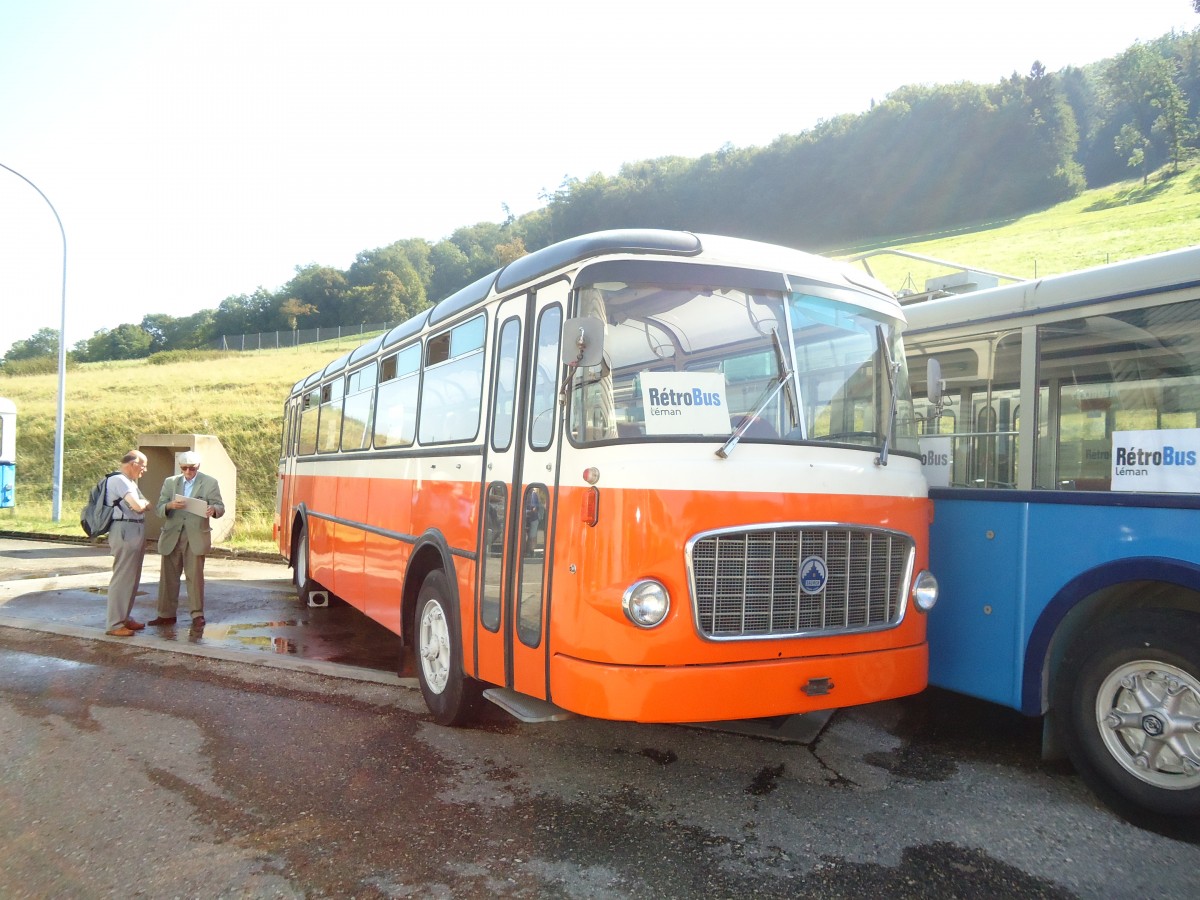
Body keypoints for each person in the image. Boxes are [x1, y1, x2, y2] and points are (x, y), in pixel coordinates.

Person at [149, 450, 225, 629]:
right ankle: (165, 614)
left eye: (192, 468)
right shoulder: (170, 482)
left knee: (195, 578)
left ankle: (197, 614)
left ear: (198, 467)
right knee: (168, 578)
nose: (189, 472)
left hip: (196, 535)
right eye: (185, 469)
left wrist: (212, 509)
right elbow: (159, 508)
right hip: (172, 534)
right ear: (180, 468)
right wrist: (170, 505)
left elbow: (220, 507)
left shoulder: (210, 482)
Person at [104, 450, 151, 637]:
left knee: (131, 578)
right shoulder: (119, 480)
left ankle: (124, 618)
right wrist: (145, 503)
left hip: (132, 528)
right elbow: (138, 506)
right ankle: (115, 623)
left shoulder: (127, 481)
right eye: (143, 466)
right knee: (123, 577)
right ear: (134, 463)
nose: (144, 470)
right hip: (125, 529)